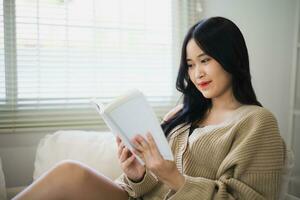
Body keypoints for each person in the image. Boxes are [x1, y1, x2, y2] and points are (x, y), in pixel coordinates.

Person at [13, 16, 286, 200]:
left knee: (70, 173)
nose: (197, 73)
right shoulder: (183, 114)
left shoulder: (257, 122)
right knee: (69, 172)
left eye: (206, 60)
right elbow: (150, 187)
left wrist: (176, 179)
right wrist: (138, 175)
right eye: (190, 65)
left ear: (231, 57)